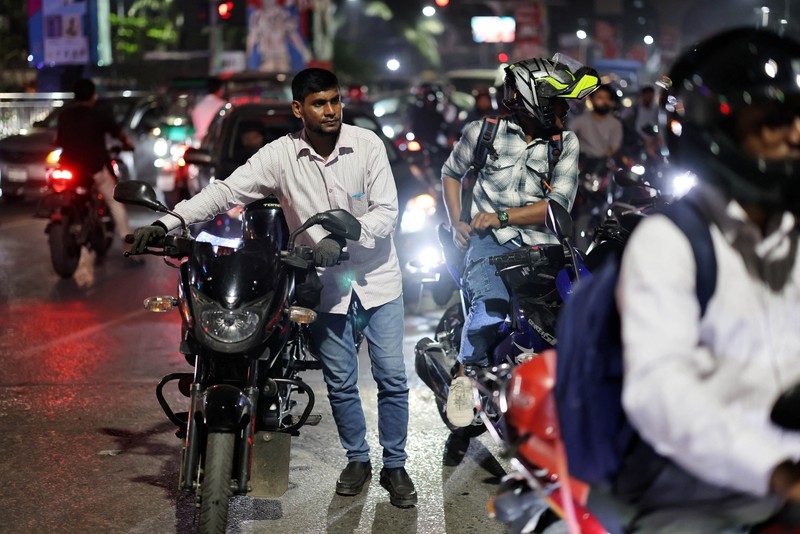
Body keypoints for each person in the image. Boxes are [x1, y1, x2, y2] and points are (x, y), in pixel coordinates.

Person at [130, 68, 417, 508]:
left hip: (378, 280)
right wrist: (166, 223)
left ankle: (395, 465)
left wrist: (342, 236)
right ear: (299, 109)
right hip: (324, 287)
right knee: (340, 382)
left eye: (335, 101)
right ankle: (357, 459)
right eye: (319, 104)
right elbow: (225, 192)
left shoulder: (367, 145)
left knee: (392, 377)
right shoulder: (280, 155)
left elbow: (386, 213)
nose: (330, 111)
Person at [611, 27, 800, 532]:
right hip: (699, 492)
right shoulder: (670, 242)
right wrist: (775, 469)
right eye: (776, 119)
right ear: (716, 128)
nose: (796, 134)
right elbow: (659, 389)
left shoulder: (793, 235)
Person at [440, 56, 599, 428]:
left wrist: (502, 215)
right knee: (491, 310)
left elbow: (556, 205)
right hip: (489, 243)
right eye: (558, 102)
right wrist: (457, 221)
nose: (564, 110)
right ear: (535, 99)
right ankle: (465, 374)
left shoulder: (565, 142)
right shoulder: (483, 132)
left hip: (544, 246)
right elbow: (451, 172)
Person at [55, 78, 135, 244]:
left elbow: (59, 140)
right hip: (93, 168)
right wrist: (127, 144)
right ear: (93, 95)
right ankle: (129, 244)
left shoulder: (64, 115)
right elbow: (118, 134)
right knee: (114, 201)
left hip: (68, 166)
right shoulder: (99, 115)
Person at [568, 84, 623, 176]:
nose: (604, 101)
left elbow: (614, 147)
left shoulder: (615, 124)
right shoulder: (581, 120)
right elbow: (568, 134)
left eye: (606, 98)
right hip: (581, 162)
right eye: (600, 97)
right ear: (592, 99)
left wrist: (602, 158)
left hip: (602, 165)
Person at [621, 85, 661, 157]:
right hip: (637, 139)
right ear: (643, 96)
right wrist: (635, 103)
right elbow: (623, 115)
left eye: (651, 95)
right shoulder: (636, 107)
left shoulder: (656, 109)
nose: (649, 97)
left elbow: (659, 123)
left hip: (652, 138)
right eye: (647, 95)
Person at [191, 78, 226, 143]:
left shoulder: (198, 107)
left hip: (200, 142)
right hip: (217, 141)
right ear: (221, 89)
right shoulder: (223, 105)